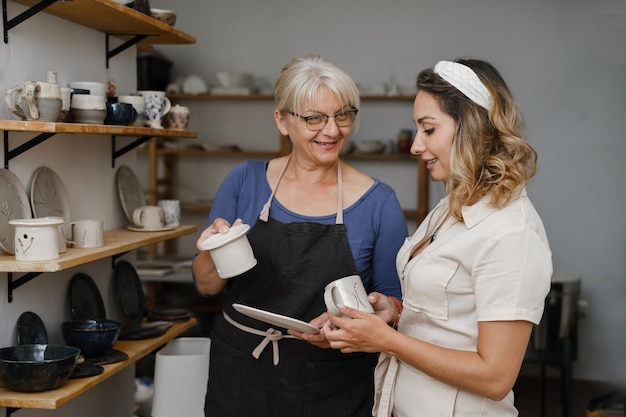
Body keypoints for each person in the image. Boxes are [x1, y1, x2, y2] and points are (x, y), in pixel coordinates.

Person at [323, 58, 553, 417]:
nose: (416, 146)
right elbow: (449, 318)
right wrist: (395, 315)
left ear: (472, 128)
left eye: (428, 130)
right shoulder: (450, 208)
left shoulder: (511, 232)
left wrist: (387, 341)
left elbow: (495, 377)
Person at [192, 54, 409, 417]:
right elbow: (206, 286)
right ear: (282, 120)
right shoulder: (244, 181)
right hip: (243, 374)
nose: (332, 130)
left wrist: (352, 325)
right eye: (314, 118)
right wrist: (215, 248)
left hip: (334, 384)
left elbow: (394, 306)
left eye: (343, 115)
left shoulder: (379, 202)